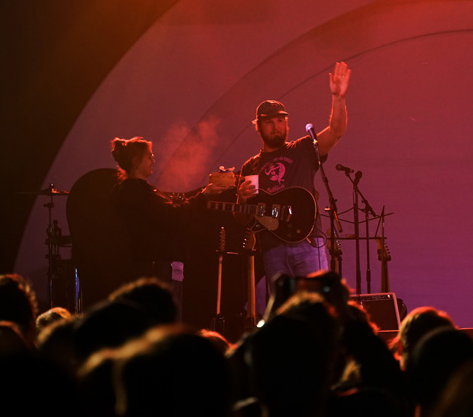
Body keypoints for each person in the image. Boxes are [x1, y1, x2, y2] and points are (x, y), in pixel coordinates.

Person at [236, 61, 351, 293]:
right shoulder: (251, 166)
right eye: (269, 122)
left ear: (287, 123)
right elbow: (245, 220)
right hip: (273, 248)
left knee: (317, 307)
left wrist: (338, 98)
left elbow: (336, 131)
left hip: (308, 242)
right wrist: (241, 199)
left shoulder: (302, 149)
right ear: (258, 127)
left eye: (280, 120)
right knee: (284, 314)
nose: (276, 127)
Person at [111, 137, 228, 295]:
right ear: (135, 161)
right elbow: (173, 215)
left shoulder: (140, 191)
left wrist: (203, 195)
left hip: (158, 266)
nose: (153, 160)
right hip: (159, 268)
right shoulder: (137, 192)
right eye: (149, 156)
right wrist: (204, 196)